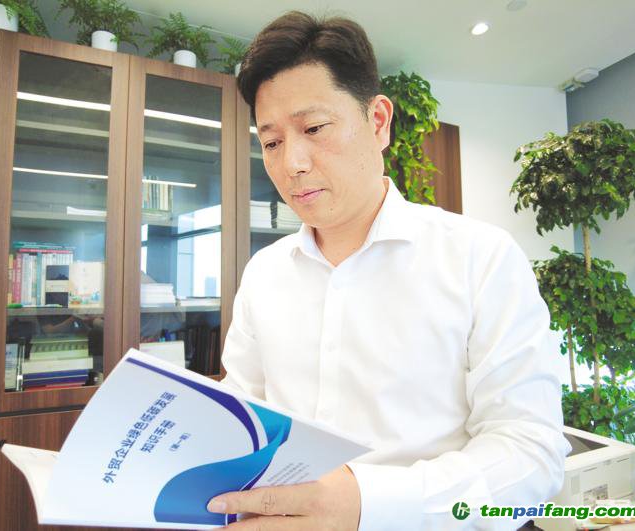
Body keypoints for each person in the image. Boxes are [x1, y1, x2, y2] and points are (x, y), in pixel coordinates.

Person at [209, 11, 570, 530]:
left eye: (314, 128)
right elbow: (241, 417)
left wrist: (368, 504)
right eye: (271, 142)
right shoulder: (264, 274)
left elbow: (531, 454)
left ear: (378, 121)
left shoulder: (480, 257)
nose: (292, 164)